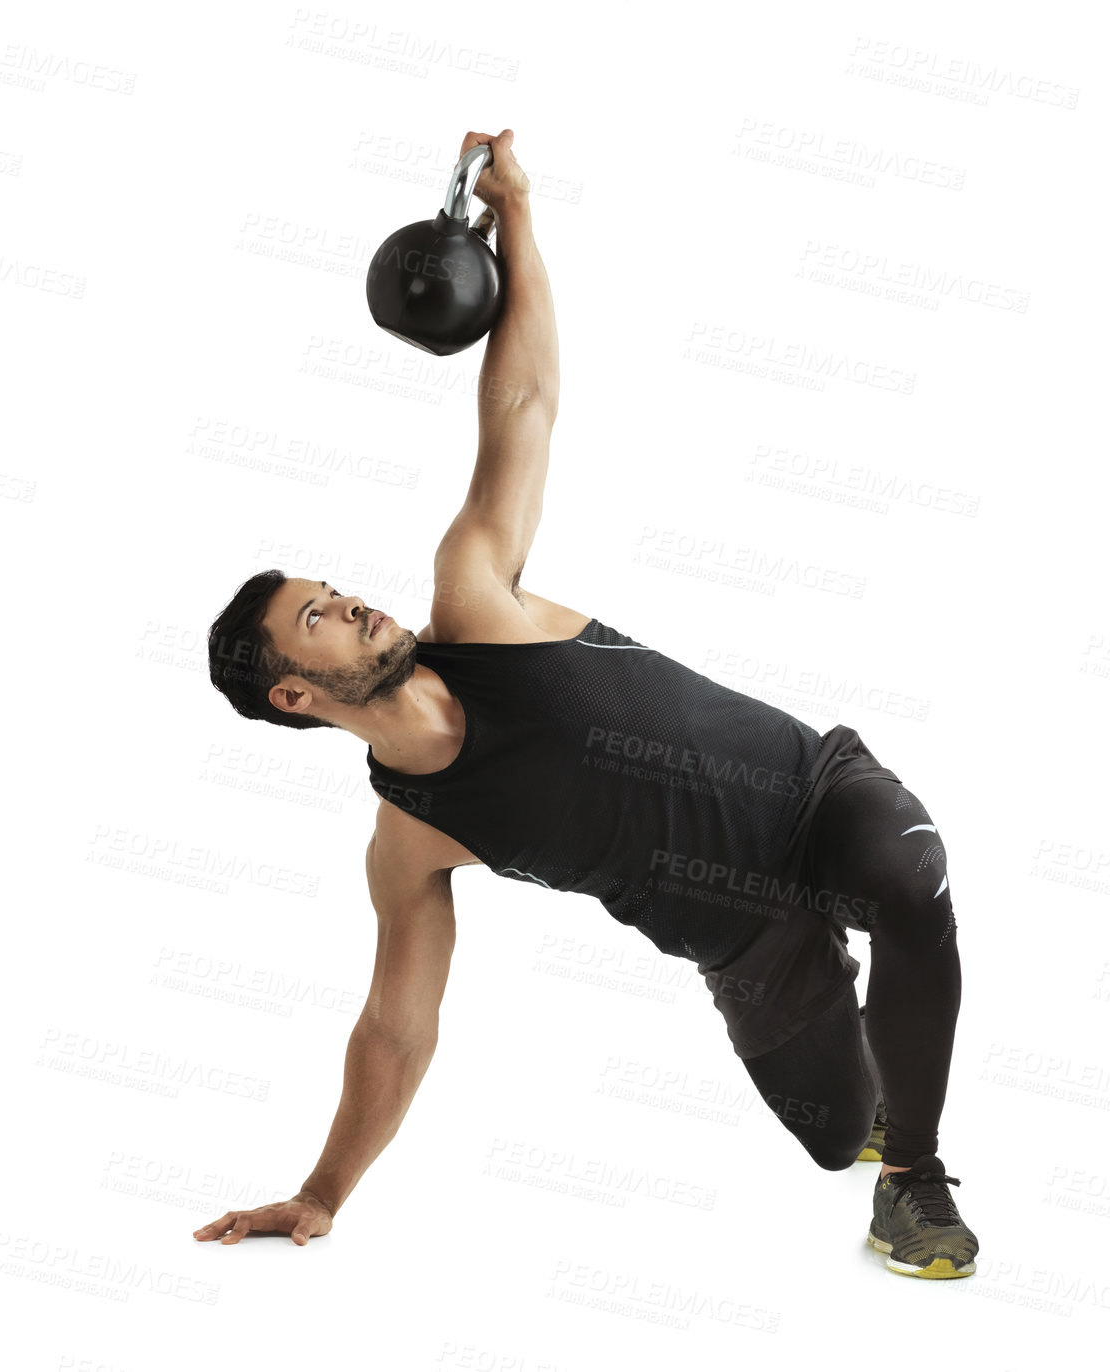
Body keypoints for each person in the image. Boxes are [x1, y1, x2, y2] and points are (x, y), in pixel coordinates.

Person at [198, 129, 978, 1278]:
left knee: (910, 881)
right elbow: (395, 1030)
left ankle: (911, 1186)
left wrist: (515, 214)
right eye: (318, 618)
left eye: (334, 590)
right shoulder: (411, 840)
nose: (352, 603)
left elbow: (523, 401)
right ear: (296, 694)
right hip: (745, 937)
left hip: (812, 795)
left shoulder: (472, 596)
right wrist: (321, 1193)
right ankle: (863, 1105)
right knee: (832, 1134)